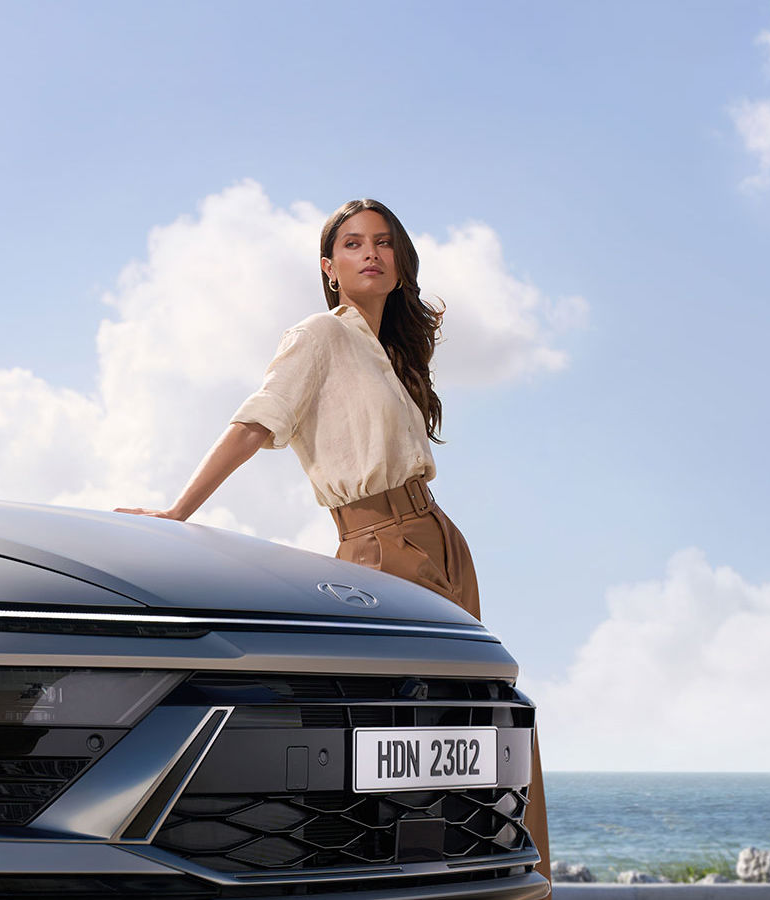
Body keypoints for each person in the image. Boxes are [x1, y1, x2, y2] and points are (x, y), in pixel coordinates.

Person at [116, 197, 550, 880]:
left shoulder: (392, 359)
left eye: (382, 242)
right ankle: (391, 880)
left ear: (401, 264)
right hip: (380, 545)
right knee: (401, 743)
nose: (369, 252)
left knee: (479, 729)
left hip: (438, 541)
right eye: (352, 244)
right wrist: (178, 514)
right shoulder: (320, 335)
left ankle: (503, 882)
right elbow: (258, 423)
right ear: (329, 267)